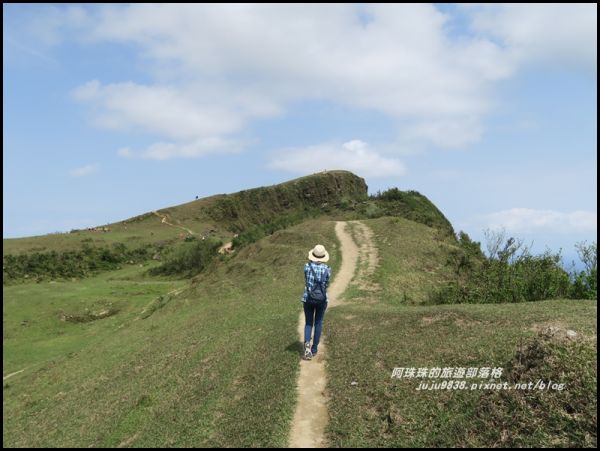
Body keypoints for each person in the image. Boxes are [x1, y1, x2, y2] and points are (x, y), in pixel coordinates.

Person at [301, 244, 331, 360]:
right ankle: (314, 349)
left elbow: (306, 279)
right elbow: (326, 285)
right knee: (318, 323)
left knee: (309, 323)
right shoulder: (327, 270)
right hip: (322, 299)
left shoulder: (307, 267)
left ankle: (307, 347)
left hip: (308, 298)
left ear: (312, 255)